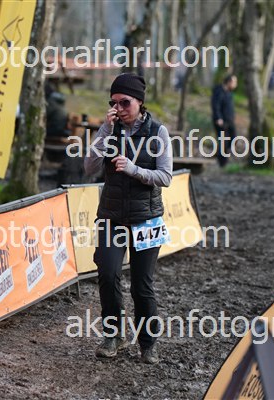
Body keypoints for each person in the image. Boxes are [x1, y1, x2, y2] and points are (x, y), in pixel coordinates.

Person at [84, 73, 173, 364]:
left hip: (146, 218)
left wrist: (134, 170)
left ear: (139, 102)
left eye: (125, 102)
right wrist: (104, 131)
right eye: (114, 103)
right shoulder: (109, 131)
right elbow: (89, 168)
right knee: (108, 274)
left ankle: (148, 343)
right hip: (112, 216)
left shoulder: (158, 132)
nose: (119, 108)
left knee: (141, 285)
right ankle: (114, 335)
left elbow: (165, 176)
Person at [211, 74, 237, 167]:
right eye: (234, 82)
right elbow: (215, 106)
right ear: (229, 82)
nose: (235, 84)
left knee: (234, 138)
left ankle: (218, 154)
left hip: (229, 121)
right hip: (221, 121)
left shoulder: (229, 93)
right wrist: (218, 118)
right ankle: (222, 163)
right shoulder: (218, 92)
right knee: (223, 142)